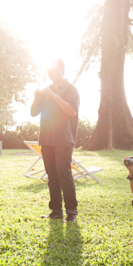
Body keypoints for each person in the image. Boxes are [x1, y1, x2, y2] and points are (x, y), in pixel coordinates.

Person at [30, 58, 80, 223]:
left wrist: (55, 96)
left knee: (64, 174)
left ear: (62, 69)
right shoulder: (46, 90)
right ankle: (56, 211)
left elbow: (72, 111)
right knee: (52, 176)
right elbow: (33, 113)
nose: (50, 74)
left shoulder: (71, 89)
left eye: (53, 71)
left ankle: (71, 212)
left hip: (63, 140)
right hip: (47, 140)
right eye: (48, 72)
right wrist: (37, 97)